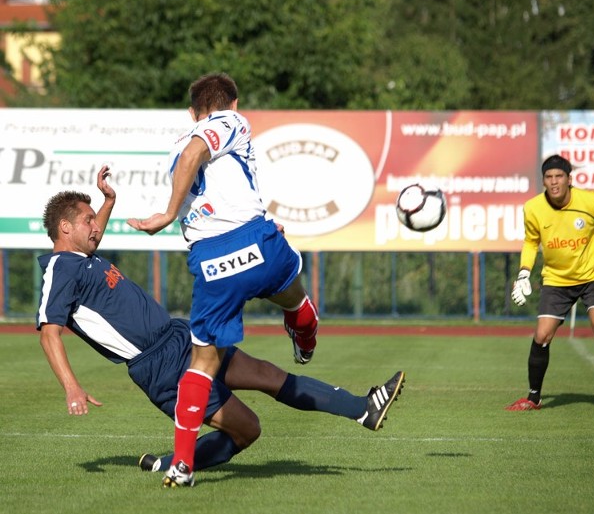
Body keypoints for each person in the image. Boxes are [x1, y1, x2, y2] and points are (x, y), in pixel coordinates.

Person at [37, 166, 406, 484]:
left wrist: (108, 201)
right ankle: (173, 463)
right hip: (159, 367)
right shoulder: (60, 269)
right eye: (87, 221)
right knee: (248, 429)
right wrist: (72, 387)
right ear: (65, 228)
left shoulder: (83, 255)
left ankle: (362, 408)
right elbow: (49, 332)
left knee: (266, 373)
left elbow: (93, 230)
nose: (95, 227)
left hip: (180, 335)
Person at [127, 73, 325, 486]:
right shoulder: (229, 122)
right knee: (296, 298)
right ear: (232, 105)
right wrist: (166, 214)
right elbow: (197, 151)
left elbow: (196, 168)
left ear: (189, 111)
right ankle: (304, 339)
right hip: (253, 244)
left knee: (202, 365)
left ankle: (182, 464)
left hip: (212, 262)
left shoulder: (175, 147)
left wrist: (174, 213)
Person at [507, 154, 594, 415]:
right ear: (543, 180)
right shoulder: (533, 208)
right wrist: (523, 273)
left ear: (570, 179)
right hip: (556, 279)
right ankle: (533, 398)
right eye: (548, 177)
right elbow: (531, 241)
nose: (554, 182)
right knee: (542, 335)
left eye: (559, 176)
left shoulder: (591, 202)